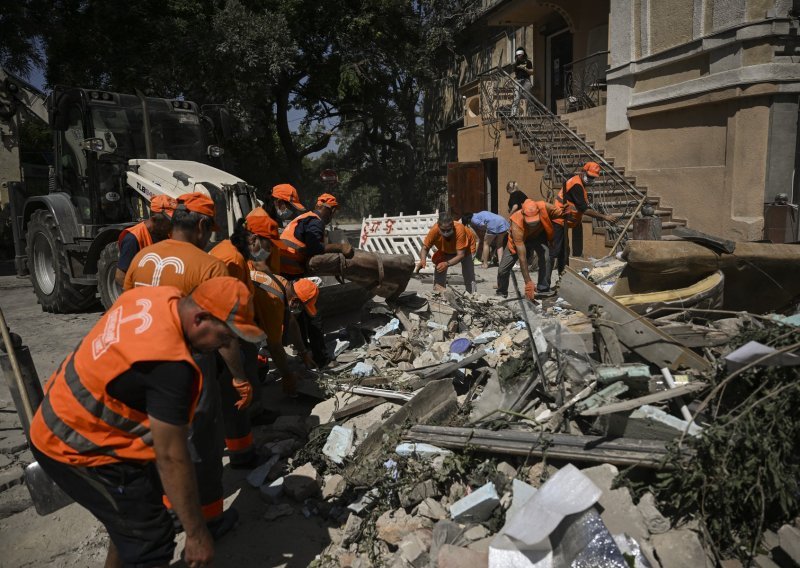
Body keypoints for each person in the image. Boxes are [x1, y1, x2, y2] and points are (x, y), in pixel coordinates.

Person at [29, 276, 264, 568]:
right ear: (201, 318)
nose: (224, 345)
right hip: (72, 444)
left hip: (72, 414)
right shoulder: (171, 366)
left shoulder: (159, 297)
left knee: (136, 517)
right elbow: (171, 457)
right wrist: (197, 532)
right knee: (149, 540)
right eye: (224, 336)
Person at [124, 192, 256, 537]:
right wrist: (240, 377)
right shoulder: (208, 265)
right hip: (186, 363)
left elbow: (122, 305)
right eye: (210, 229)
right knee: (201, 440)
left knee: (159, 439)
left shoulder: (142, 257)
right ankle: (209, 517)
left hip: (138, 359)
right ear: (201, 226)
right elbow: (222, 333)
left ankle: (170, 509)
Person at [279, 193, 354, 367]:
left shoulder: (304, 219)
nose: (332, 215)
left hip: (285, 272)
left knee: (297, 313)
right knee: (312, 315)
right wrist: (340, 247)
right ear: (326, 208)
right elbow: (315, 248)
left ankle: (304, 352)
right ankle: (321, 359)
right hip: (290, 273)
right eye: (332, 211)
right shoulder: (315, 221)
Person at [250, 268, 319, 397]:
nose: (299, 312)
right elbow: (275, 346)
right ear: (296, 302)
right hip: (223, 314)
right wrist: (287, 376)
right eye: (302, 308)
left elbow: (291, 322)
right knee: (251, 365)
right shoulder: (274, 301)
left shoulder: (282, 283)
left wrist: (303, 353)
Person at [550, 162, 617, 274]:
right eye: (589, 176)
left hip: (565, 219)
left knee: (564, 250)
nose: (590, 179)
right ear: (583, 171)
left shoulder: (578, 181)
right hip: (560, 219)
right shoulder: (577, 185)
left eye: (593, 177)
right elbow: (584, 209)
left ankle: (563, 277)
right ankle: (545, 284)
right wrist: (604, 217)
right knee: (556, 251)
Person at [497, 198, 566, 300]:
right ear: (523, 214)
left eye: (535, 222)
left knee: (546, 257)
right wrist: (528, 282)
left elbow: (560, 213)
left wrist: (568, 212)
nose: (533, 225)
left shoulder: (544, 206)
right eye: (530, 223)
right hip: (518, 241)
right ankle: (502, 292)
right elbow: (522, 257)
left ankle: (543, 288)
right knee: (502, 270)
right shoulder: (517, 222)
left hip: (537, 236)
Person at [115, 195, 175, 288]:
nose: (173, 226)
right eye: (170, 222)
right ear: (155, 219)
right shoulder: (133, 239)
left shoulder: (166, 233)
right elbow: (120, 277)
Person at [416, 212, 476, 293]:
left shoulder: (459, 229)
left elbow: (461, 255)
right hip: (445, 250)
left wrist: (447, 263)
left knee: (468, 273)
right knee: (439, 269)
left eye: (448, 230)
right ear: (438, 226)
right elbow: (425, 248)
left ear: (452, 226)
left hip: (466, 249)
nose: (445, 233)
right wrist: (423, 260)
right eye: (443, 230)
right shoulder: (434, 230)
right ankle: (439, 294)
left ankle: (472, 295)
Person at [511, 47, 534, 117]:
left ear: (523, 54)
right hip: (518, 81)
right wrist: (512, 79)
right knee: (516, 97)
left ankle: (530, 114)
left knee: (528, 98)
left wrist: (525, 68)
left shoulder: (528, 62)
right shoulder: (516, 64)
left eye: (519, 54)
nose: (518, 56)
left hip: (526, 80)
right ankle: (513, 113)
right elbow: (515, 74)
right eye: (517, 55)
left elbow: (532, 72)